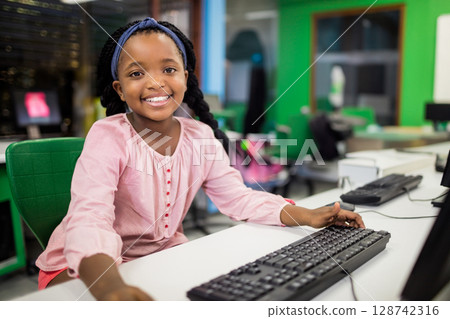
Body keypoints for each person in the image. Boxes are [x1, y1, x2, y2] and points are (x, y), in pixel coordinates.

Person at [35, 18, 365, 301]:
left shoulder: (199, 136)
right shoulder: (108, 136)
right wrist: (109, 288)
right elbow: (90, 220)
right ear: (120, 90)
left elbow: (238, 198)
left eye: (168, 69)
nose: (154, 82)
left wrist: (304, 214)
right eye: (137, 74)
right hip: (85, 266)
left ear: (185, 77)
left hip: (157, 257)